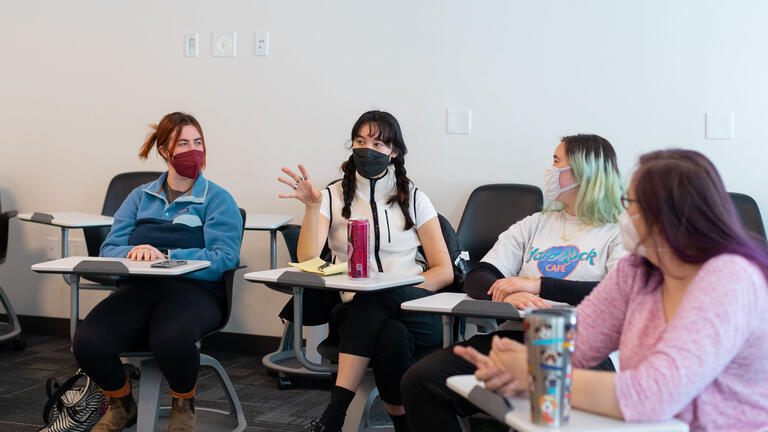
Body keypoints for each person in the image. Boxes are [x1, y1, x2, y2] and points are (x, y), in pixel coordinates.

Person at [458, 149, 768, 431]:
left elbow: (654, 394)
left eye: (630, 205)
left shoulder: (729, 278)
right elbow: (578, 343)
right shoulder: (637, 269)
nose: (623, 217)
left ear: (670, 215)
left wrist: (537, 374)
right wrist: (521, 360)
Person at [401, 134, 625, 431]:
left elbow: (619, 293)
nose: (550, 169)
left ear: (584, 171)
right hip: (518, 338)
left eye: (557, 162)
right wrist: (505, 295)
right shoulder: (535, 223)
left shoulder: (620, 230)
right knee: (421, 381)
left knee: (541, 408)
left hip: (585, 346)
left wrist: (536, 285)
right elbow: (478, 277)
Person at [277, 110, 453, 432]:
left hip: (415, 308)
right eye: (360, 141)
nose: (367, 149)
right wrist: (312, 208)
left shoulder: (414, 198)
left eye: (378, 143)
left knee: (376, 299)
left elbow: (444, 271)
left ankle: (334, 414)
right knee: (390, 336)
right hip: (355, 312)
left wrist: (399, 291)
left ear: (394, 152)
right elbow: (308, 258)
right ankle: (404, 425)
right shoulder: (331, 196)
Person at [72, 112, 243, 432]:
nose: (194, 150)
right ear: (165, 151)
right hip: (138, 289)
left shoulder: (217, 199)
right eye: (184, 143)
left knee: (171, 338)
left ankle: (183, 407)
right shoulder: (139, 197)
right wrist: (135, 254)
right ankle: (122, 405)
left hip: (195, 292)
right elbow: (109, 249)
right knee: (88, 341)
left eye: (198, 142)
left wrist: (166, 256)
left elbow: (225, 258)